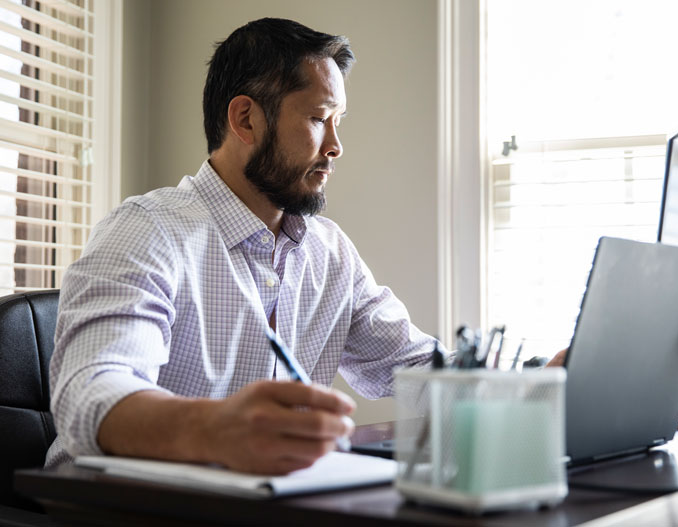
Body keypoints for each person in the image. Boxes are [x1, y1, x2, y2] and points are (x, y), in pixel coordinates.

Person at [45, 17, 439, 475]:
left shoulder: (330, 252)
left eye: (338, 122)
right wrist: (212, 429)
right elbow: (90, 394)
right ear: (246, 119)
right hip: (111, 511)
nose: (336, 146)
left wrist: (531, 385)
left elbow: (417, 367)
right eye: (317, 118)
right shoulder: (145, 232)